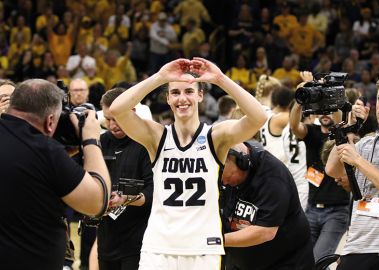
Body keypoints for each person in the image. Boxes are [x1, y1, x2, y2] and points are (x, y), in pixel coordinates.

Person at [110, 57, 267, 270]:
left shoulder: (216, 136)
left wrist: (220, 79)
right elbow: (117, 110)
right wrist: (159, 77)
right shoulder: (156, 137)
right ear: (167, 98)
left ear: (200, 95)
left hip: (203, 247)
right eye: (175, 92)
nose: (182, 98)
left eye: (189, 91)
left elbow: (258, 117)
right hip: (159, 247)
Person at [0, 79, 111, 270]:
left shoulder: (38, 153)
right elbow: (97, 202)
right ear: (50, 121)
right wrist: (91, 140)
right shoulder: (45, 151)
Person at [325, 74, 379, 269]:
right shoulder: (366, 143)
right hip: (356, 246)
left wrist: (358, 161)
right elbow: (332, 170)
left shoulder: (360, 153)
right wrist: (346, 129)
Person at [221, 141, 314, 270]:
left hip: (285, 261)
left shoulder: (273, 176)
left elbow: (265, 231)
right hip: (240, 262)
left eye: (228, 177)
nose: (224, 182)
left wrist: (217, 241)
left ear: (242, 162)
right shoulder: (222, 176)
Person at [289, 72, 350, 263]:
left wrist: (328, 92)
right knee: (301, 259)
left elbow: (341, 116)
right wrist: (301, 97)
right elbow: (293, 125)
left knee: (318, 260)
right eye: (322, 110)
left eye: (329, 110)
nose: (325, 113)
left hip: (337, 211)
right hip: (312, 209)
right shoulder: (312, 133)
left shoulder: (342, 133)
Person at [92, 87, 153, 270]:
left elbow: (153, 192)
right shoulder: (100, 142)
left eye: (116, 118)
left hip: (138, 241)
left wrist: (126, 200)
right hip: (106, 238)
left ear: (131, 112)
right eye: (108, 119)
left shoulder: (146, 143)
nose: (112, 125)